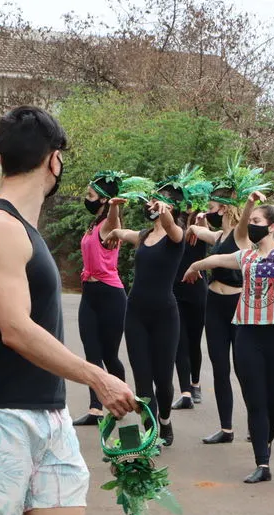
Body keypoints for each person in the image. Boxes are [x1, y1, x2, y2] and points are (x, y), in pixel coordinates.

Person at [0, 106, 136, 515]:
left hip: (47, 414)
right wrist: (97, 376)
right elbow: (15, 328)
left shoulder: (25, 230)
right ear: (55, 160)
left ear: (1, 161)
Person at [183, 192, 274, 483]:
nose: (250, 224)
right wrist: (194, 266)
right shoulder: (246, 256)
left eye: (256, 220)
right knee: (255, 400)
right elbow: (218, 257)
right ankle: (262, 463)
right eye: (249, 220)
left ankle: (264, 440)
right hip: (248, 335)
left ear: (270, 227)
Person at [184, 158, 268, 444]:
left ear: (223, 207)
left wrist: (249, 203)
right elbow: (203, 233)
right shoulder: (220, 235)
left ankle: (257, 425)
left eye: (210, 206)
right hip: (214, 306)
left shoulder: (241, 235)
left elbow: (243, 222)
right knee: (220, 368)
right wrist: (196, 225)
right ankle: (226, 428)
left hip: (237, 308)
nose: (208, 209)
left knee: (244, 369)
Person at [104, 178, 187, 447]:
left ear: (170, 206)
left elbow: (173, 229)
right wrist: (113, 233)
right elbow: (122, 233)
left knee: (163, 380)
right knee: (142, 382)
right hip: (136, 313)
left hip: (165, 315)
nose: (152, 205)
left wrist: (167, 215)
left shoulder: (177, 237)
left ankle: (165, 421)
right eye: (152, 201)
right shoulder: (143, 236)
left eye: (159, 202)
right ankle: (150, 434)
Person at [73, 170, 130, 426]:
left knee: (110, 355)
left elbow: (114, 224)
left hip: (111, 295)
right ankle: (96, 409)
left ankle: (123, 398)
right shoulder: (92, 225)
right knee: (92, 355)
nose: (88, 198)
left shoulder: (108, 225)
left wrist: (114, 208)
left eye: (91, 195)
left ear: (105, 200)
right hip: (90, 294)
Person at [169, 169, 213, 410]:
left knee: (194, 341)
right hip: (175, 290)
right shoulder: (175, 226)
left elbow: (206, 235)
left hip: (197, 291)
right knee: (180, 341)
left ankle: (194, 383)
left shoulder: (200, 223)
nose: (187, 205)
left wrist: (200, 222)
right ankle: (185, 390)